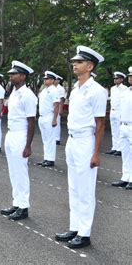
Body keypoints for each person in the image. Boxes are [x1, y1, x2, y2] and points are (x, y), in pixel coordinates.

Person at [55, 45, 107, 249]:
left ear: (90, 65)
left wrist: (96, 153)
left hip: (86, 141)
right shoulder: (76, 89)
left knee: (85, 189)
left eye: (79, 62)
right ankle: (74, 227)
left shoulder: (97, 91)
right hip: (72, 140)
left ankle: (84, 234)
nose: (75, 64)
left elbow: (100, 124)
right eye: (75, 62)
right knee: (73, 187)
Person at [0, 60, 37, 221]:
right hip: (11, 133)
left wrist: (28, 145)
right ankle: (16, 203)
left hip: (21, 135)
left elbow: (31, 121)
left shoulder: (28, 95)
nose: (11, 76)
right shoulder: (14, 93)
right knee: (13, 171)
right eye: (10, 74)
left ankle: (23, 207)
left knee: (21, 172)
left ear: (22, 76)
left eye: (14, 74)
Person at [112, 68, 132, 189]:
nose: (130, 77)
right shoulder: (126, 92)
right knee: (125, 154)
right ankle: (125, 177)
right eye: (129, 76)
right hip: (123, 125)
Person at [36, 71, 60, 167]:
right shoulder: (44, 90)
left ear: (52, 80)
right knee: (45, 139)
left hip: (49, 116)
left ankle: (50, 159)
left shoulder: (53, 90)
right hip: (42, 117)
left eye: (47, 79)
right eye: (45, 79)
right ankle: (46, 158)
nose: (45, 80)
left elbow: (56, 105)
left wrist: (55, 119)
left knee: (50, 139)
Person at [106, 72, 127, 156]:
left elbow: (125, 101)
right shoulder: (113, 88)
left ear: (121, 79)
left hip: (120, 111)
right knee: (114, 131)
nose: (115, 80)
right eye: (114, 78)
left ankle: (120, 149)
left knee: (120, 131)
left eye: (117, 78)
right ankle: (114, 147)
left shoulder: (124, 89)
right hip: (113, 111)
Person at [54, 76, 66, 145]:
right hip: (52, 108)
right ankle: (53, 137)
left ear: (58, 81)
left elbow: (62, 99)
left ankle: (57, 139)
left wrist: (61, 109)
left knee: (57, 123)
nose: (55, 81)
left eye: (56, 80)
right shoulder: (52, 88)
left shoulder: (60, 89)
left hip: (58, 107)